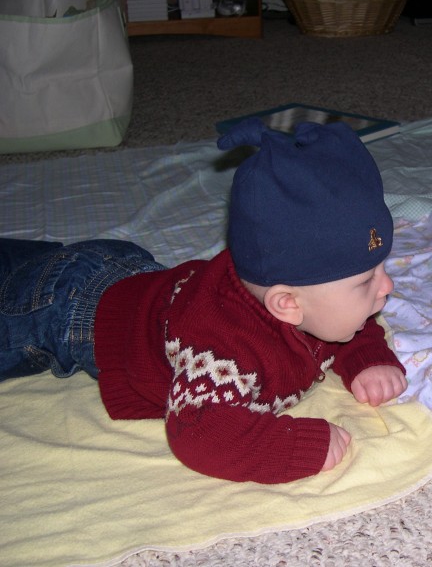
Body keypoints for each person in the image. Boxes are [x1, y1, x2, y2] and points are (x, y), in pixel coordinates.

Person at [0, 118, 407, 484]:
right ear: (287, 304)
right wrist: (298, 446)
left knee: (39, 263)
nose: (386, 287)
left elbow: (350, 324)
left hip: (129, 273)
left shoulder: (307, 300)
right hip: (67, 311)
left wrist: (367, 358)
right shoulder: (222, 352)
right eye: (367, 280)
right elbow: (200, 434)